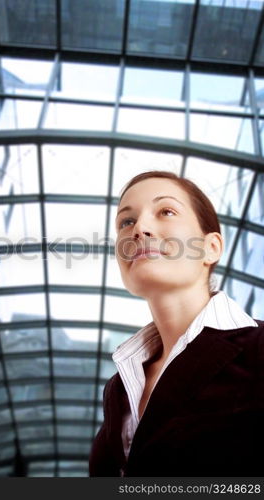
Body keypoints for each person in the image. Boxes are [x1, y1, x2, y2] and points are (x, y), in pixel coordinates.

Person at [89, 170, 264, 477]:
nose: (139, 229)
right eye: (126, 222)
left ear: (210, 248)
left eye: (166, 211)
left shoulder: (259, 349)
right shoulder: (118, 390)